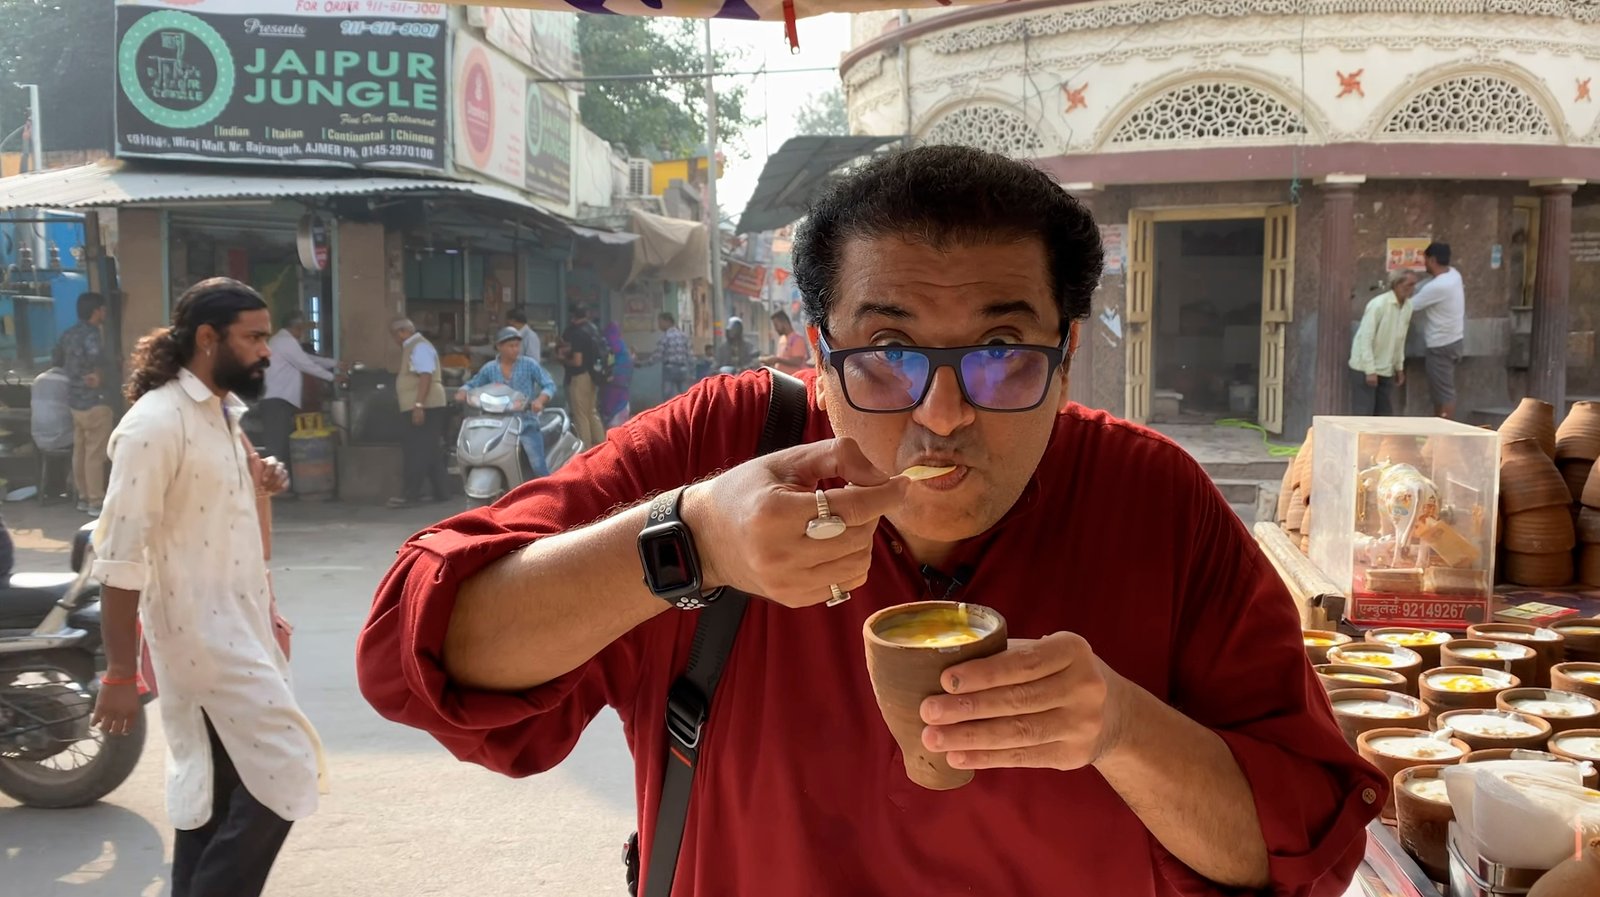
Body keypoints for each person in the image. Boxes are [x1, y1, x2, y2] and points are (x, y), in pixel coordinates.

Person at [357, 146, 1380, 897]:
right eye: (886, 354)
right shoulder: (718, 453)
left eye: (1002, 353)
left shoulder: (1149, 499)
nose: (944, 415)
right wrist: (692, 541)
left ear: (1067, 356)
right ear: (819, 350)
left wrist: (1122, 728)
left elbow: (1302, 847)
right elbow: (420, 654)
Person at [90, 277, 325, 897]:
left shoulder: (222, 413)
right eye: (252, 338)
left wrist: (258, 478)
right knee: (286, 771)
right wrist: (118, 673)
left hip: (239, 628)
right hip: (202, 640)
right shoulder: (155, 424)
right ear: (206, 338)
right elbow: (117, 559)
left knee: (216, 796)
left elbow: (217, 511)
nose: (266, 351)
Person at [456, 327, 559, 479]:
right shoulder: (489, 368)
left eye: (517, 345)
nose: (515, 349)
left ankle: (549, 493)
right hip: (495, 423)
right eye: (511, 346)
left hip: (525, 422)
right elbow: (473, 384)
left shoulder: (529, 364)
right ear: (499, 347)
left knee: (537, 466)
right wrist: (463, 391)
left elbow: (549, 384)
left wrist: (539, 400)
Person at [259, 311, 343, 470]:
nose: (303, 332)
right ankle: (275, 490)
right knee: (277, 445)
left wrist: (335, 363)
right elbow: (305, 364)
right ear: (297, 327)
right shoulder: (285, 341)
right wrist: (332, 377)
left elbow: (307, 359)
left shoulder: (283, 340)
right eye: (302, 328)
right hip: (276, 399)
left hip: (278, 398)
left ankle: (282, 487)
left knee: (281, 442)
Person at [57, 292, 114, 516]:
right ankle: (95, 501)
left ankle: (82, 497)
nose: (105, 313)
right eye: (103, 309)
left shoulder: (68, 333)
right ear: (96, 311)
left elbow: (58, 359)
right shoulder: (92, 335)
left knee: (79, 452)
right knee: (95, 454)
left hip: (74, 401)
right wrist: (100, 374)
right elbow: (96, 359)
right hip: (94, 402)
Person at [387, 319, 450, 509]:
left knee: (416, 450)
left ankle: (411, 494)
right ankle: (442, 492)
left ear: (402, 332)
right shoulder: (413, 347)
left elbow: (425, 375)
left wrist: (418, 404)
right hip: (423, 405)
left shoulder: (419, 346)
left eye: (394, 335)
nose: (395, 340)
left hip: (425, 406)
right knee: (429, 449)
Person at [1408, 242, 1465, 419]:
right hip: (1454, 340)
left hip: (1441, 345)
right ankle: (1438, 430)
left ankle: (1443, 433)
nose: (1423, 264)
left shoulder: (1438, 287)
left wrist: (1398, 291)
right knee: (1441, 391)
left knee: (1443, 394)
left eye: (1425, 260)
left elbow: (1408, 306)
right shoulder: (1454, 274)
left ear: (1432, 260)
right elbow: (1429, 283)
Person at [1348, 270, 1416, 416]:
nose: (1412, 289)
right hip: (1365, 367)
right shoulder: (1378, 304)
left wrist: (1399, 367)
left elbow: (1400, 338)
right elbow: (1366, 338)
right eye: (1408, 285)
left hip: (1386, 367)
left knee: (1384, 414)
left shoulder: (1408, 307)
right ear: (1397, 285)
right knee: (1363, 413)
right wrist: (1370, 370)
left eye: (1413, 285)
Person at [559, 305, 607, 447]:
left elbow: (577, 361)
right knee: (591, 412)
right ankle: (602, 445)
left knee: (580, 415)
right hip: (593, 375)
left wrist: (562, 359)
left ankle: (584, 449)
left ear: (573, 317)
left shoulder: (578, 333)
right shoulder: (593, 329)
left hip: (580, 377)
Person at [599, 321, 634, 428]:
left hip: (612, 385)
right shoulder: (622, 346)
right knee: (621, 411)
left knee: (611, 410)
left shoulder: (609, 346)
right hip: (623, 387)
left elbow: (608, 364)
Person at [760, 310, 809, 375]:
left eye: (776, 325)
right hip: (781, 380)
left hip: (793, 380)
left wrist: (777, 359)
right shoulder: (782, 339)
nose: (775, 328)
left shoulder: (798, 339)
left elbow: (797, 361)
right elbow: (782, 359)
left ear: (784, 323)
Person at [656, 313, 692, 400]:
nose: (659, 325)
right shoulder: (684, 336)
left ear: (667, 322)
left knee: (667, 395)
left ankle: (669, 412)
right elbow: (690, 355)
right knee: (685, 395)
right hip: (682, 369)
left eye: (660, 322)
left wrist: (642, 363)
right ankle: (689, 412)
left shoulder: (665, 337)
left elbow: (657, 355)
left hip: (669, 369)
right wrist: (692, 372)